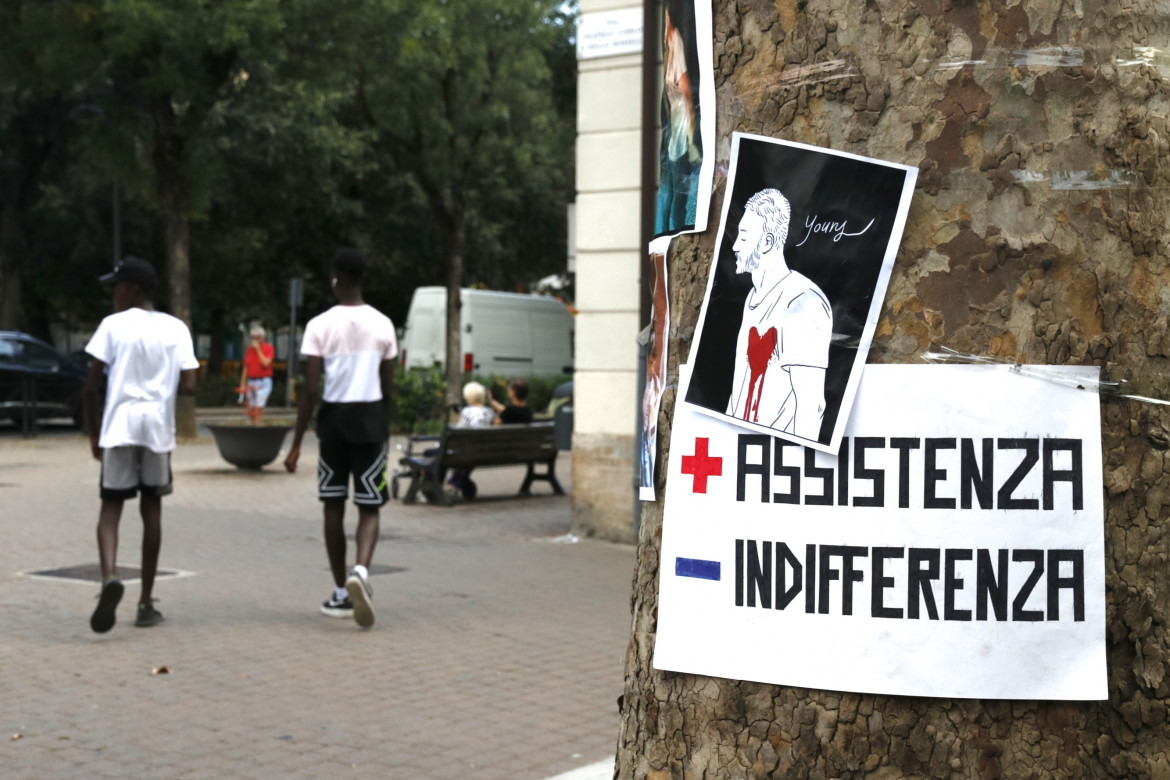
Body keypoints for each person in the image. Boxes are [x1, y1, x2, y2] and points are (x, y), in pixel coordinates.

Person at [83, 256, 199, 633]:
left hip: (119, 425)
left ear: (132, 289)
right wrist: (163, 388)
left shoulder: (112, 326)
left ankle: (110, 577)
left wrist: (93, 433)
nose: (114, 294)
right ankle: (146, 602)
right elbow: (191, 385)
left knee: (110, 509)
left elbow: (89, 386)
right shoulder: (176, 328)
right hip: (157, 429)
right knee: (152, 510)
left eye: (117, 287)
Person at [285, 249, 397, 628]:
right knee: (370, 505)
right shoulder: (383, 325)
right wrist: (386, 425)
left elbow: (311, 388)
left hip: (333, 424)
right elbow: (388, 386)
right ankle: (361, 572)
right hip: (370, 423)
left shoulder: (319, 325)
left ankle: (338, 590)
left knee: (332, 505)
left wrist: (297, 443)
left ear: (336, 278)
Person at [725, 189, 832, 440]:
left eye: (743, 236)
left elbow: (811, 406)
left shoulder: (803, 302)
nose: (735, 246)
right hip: (743, 453)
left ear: (767, 242)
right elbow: (740, 386)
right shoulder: (753, 297)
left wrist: (798, 468)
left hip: (776, 462)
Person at [446, 381, 495, 494]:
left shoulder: (467, 411)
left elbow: (458, 430)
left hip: (467, 451)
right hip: (483, 451)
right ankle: (454, 481)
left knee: (460, 455)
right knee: (467, 458)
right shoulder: (489, 412)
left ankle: (454, 482)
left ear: (467, 398)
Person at [238, 324, 275, 423]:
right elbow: (245, 368)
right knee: (252, 409)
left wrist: (258, 350)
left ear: (262, 338)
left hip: (263, 381)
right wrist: (242, 383)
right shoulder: (249, 350)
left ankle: (258, 426)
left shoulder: (268, 348)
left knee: (258, 408)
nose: (255, 340)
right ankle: (253, 426)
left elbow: (266, 363)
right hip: (251, 381)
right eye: (253, 338)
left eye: (257, 338)